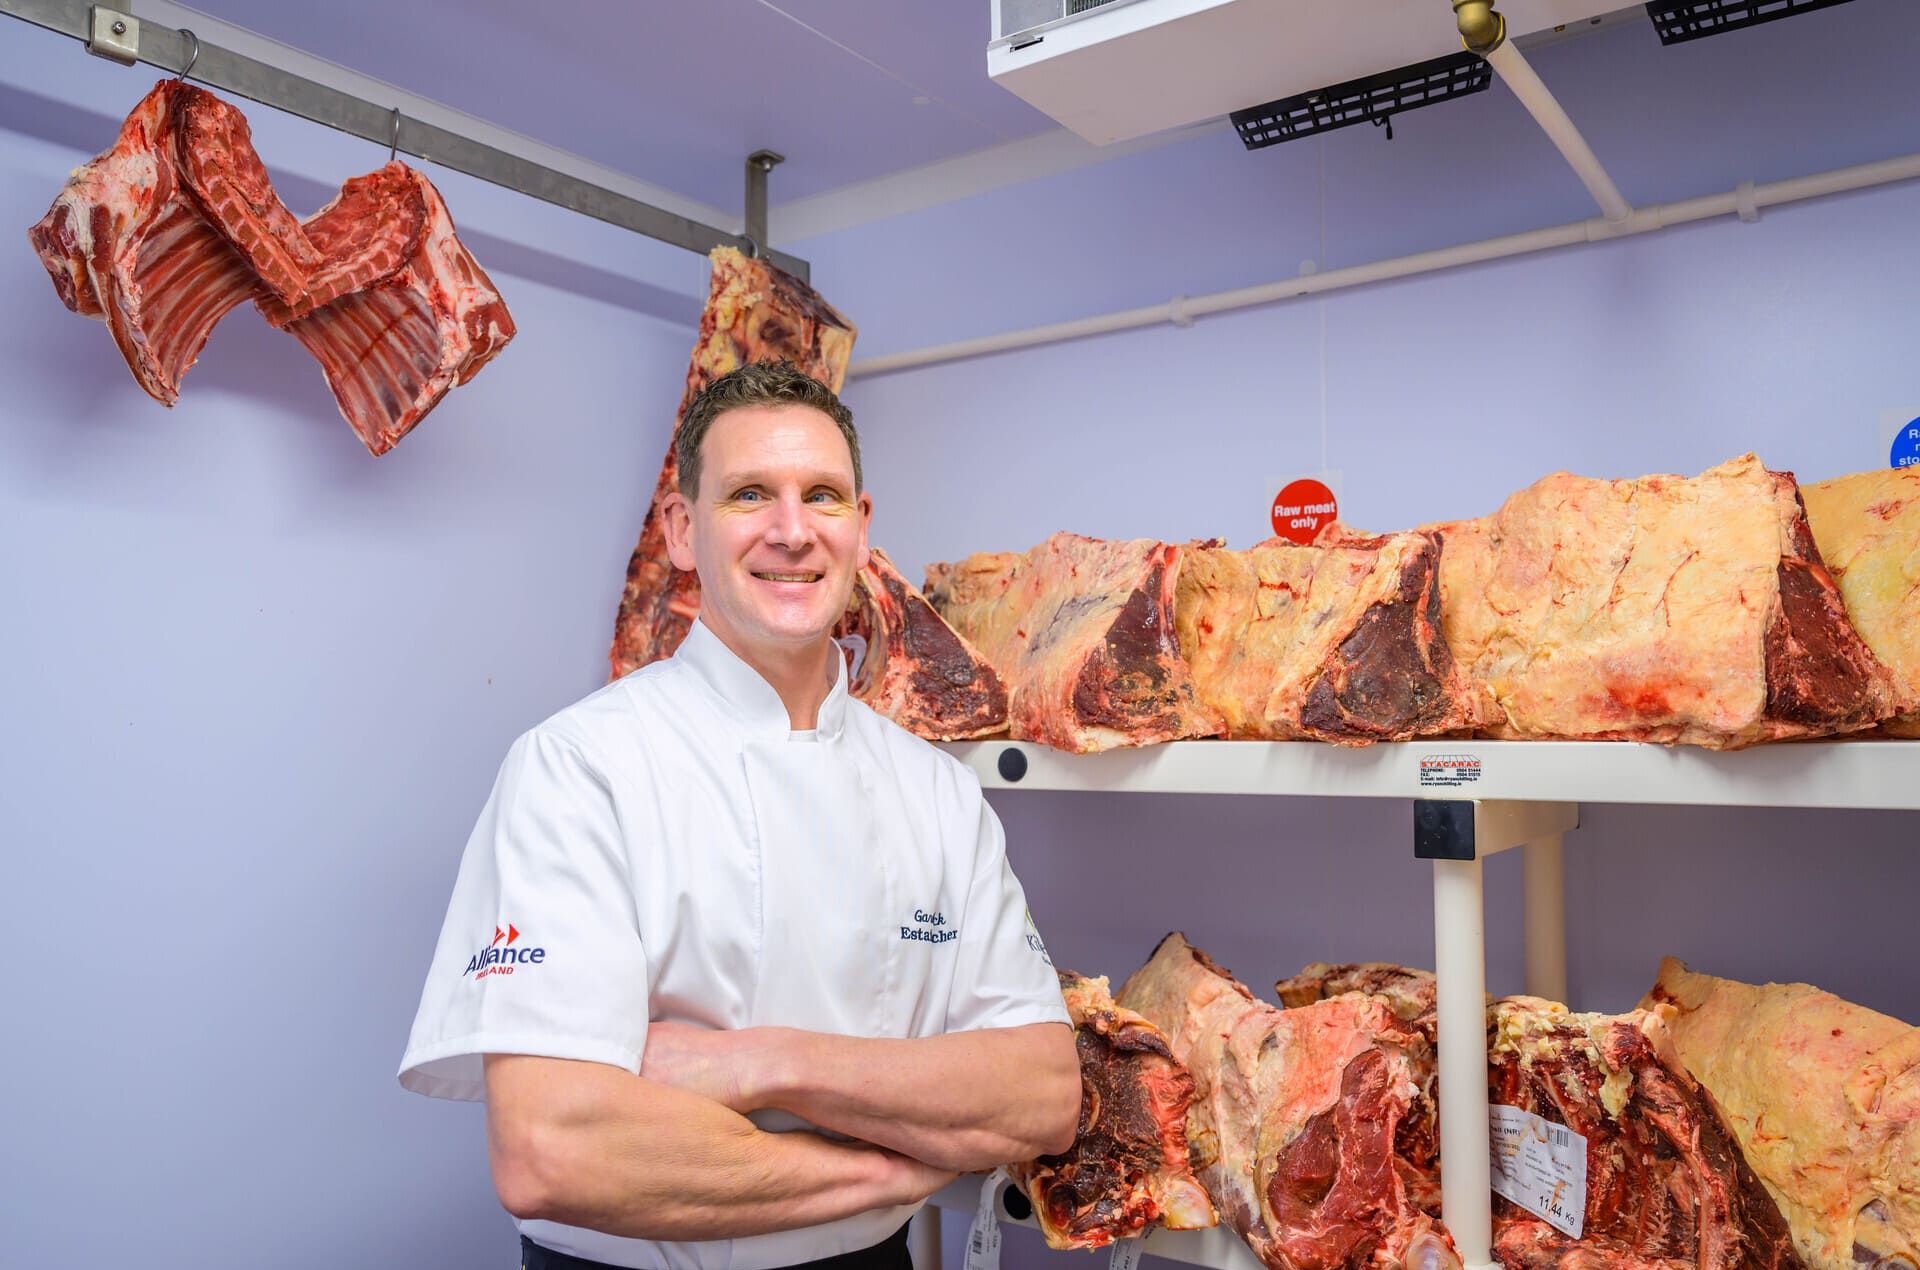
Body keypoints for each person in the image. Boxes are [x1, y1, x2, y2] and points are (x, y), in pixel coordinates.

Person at [398, 360, 1080, 1270]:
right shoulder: (578, 768)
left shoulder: (938, 792)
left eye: (823, 496)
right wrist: (892, 1167)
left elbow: (1038, 1095)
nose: (792, 532)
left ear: (862, 528)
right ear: (682, 530)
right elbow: (550, 1153)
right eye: (750, 494)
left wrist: (765, 1061)